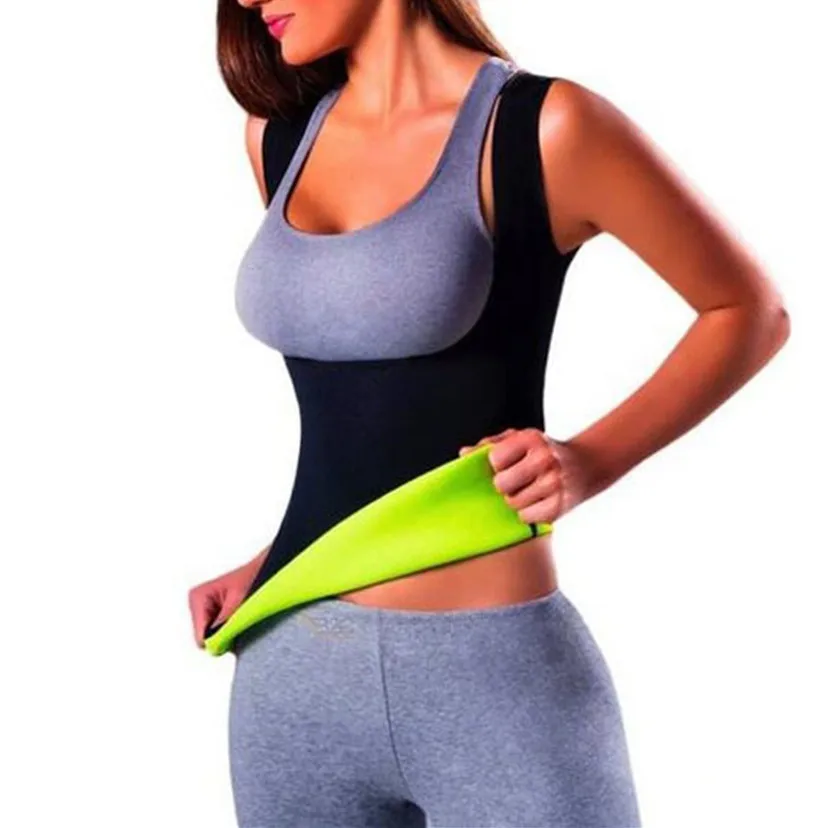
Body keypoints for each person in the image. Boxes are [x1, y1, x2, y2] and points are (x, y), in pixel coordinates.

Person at [187, 1, 791, 825]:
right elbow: (363, 410)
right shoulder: (276, 138)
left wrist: (588, 462)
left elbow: (749, 311)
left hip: (494, 676)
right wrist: (274, 558)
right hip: (291, 669)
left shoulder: (546, 127)